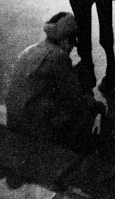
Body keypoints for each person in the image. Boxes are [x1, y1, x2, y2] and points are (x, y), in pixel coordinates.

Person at [6, 12, 106, 156]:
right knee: (84, 109)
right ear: (64, 40)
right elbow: (75, 99)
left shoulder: (30, 49)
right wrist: (95, 105)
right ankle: (79, 153)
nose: (73, 46)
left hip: (14, 120)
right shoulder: (59, 57)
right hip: (33, 130)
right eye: (72, 41)